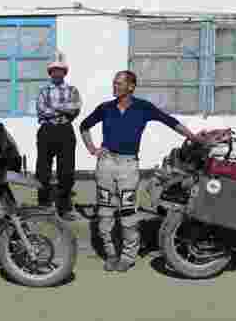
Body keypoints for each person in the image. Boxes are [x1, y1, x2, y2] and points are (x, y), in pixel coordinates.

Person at [79, 70, 206, 272]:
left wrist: (194, 137)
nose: (115, 86)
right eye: (114, 83)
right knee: (104, 213)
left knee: (128, 212)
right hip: (105, 165)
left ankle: (128, 257)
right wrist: (93, 149)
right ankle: (111, 254)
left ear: (131, 86)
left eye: (119, 83)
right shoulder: (105, 108)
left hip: (128, 166)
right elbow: (84, 126)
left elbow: (170, 122)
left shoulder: (143, 108)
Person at [35, 51, 82, 221]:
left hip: (65, 131)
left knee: (67, 171)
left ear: (65, 72)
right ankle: (43, 204)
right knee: (42, 170)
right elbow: (41, 110)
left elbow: (75, 108)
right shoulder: (43, 91)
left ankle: (64, 207)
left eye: (60, 70)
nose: (56, 73)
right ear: (50, 73)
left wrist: (54, 108)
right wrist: (63, 108)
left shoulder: (73, 90)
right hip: (47, 131)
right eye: (53, 70)